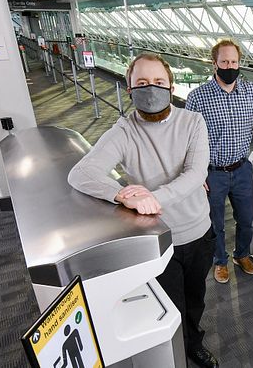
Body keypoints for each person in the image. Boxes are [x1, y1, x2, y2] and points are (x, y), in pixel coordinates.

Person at [67, 53, 219, 368]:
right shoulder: (123, 132)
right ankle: (176, 354)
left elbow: (195, 174)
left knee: (195, 299)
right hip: (158, 241)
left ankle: (193, 343)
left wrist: (153, 196)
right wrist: (122, 195)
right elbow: (81, 174)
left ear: (171, 85)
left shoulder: (192, 122)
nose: (151, 89)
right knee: (170, 305)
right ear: (130, 88)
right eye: (142, 83)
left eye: (159, 82)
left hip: (199, 232)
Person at [186, 39, 253, 284]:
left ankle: (241, 255)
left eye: (233, 61)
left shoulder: (252, 92)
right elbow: (186, 140)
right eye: (224, 62)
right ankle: (219, 261)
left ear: (239, 63)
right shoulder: (198, 97)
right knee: (215, 223)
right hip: (212, 173)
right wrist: (195, 175)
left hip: (242, 168)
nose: (229, 66)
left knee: (246, 219)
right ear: (214, 64)